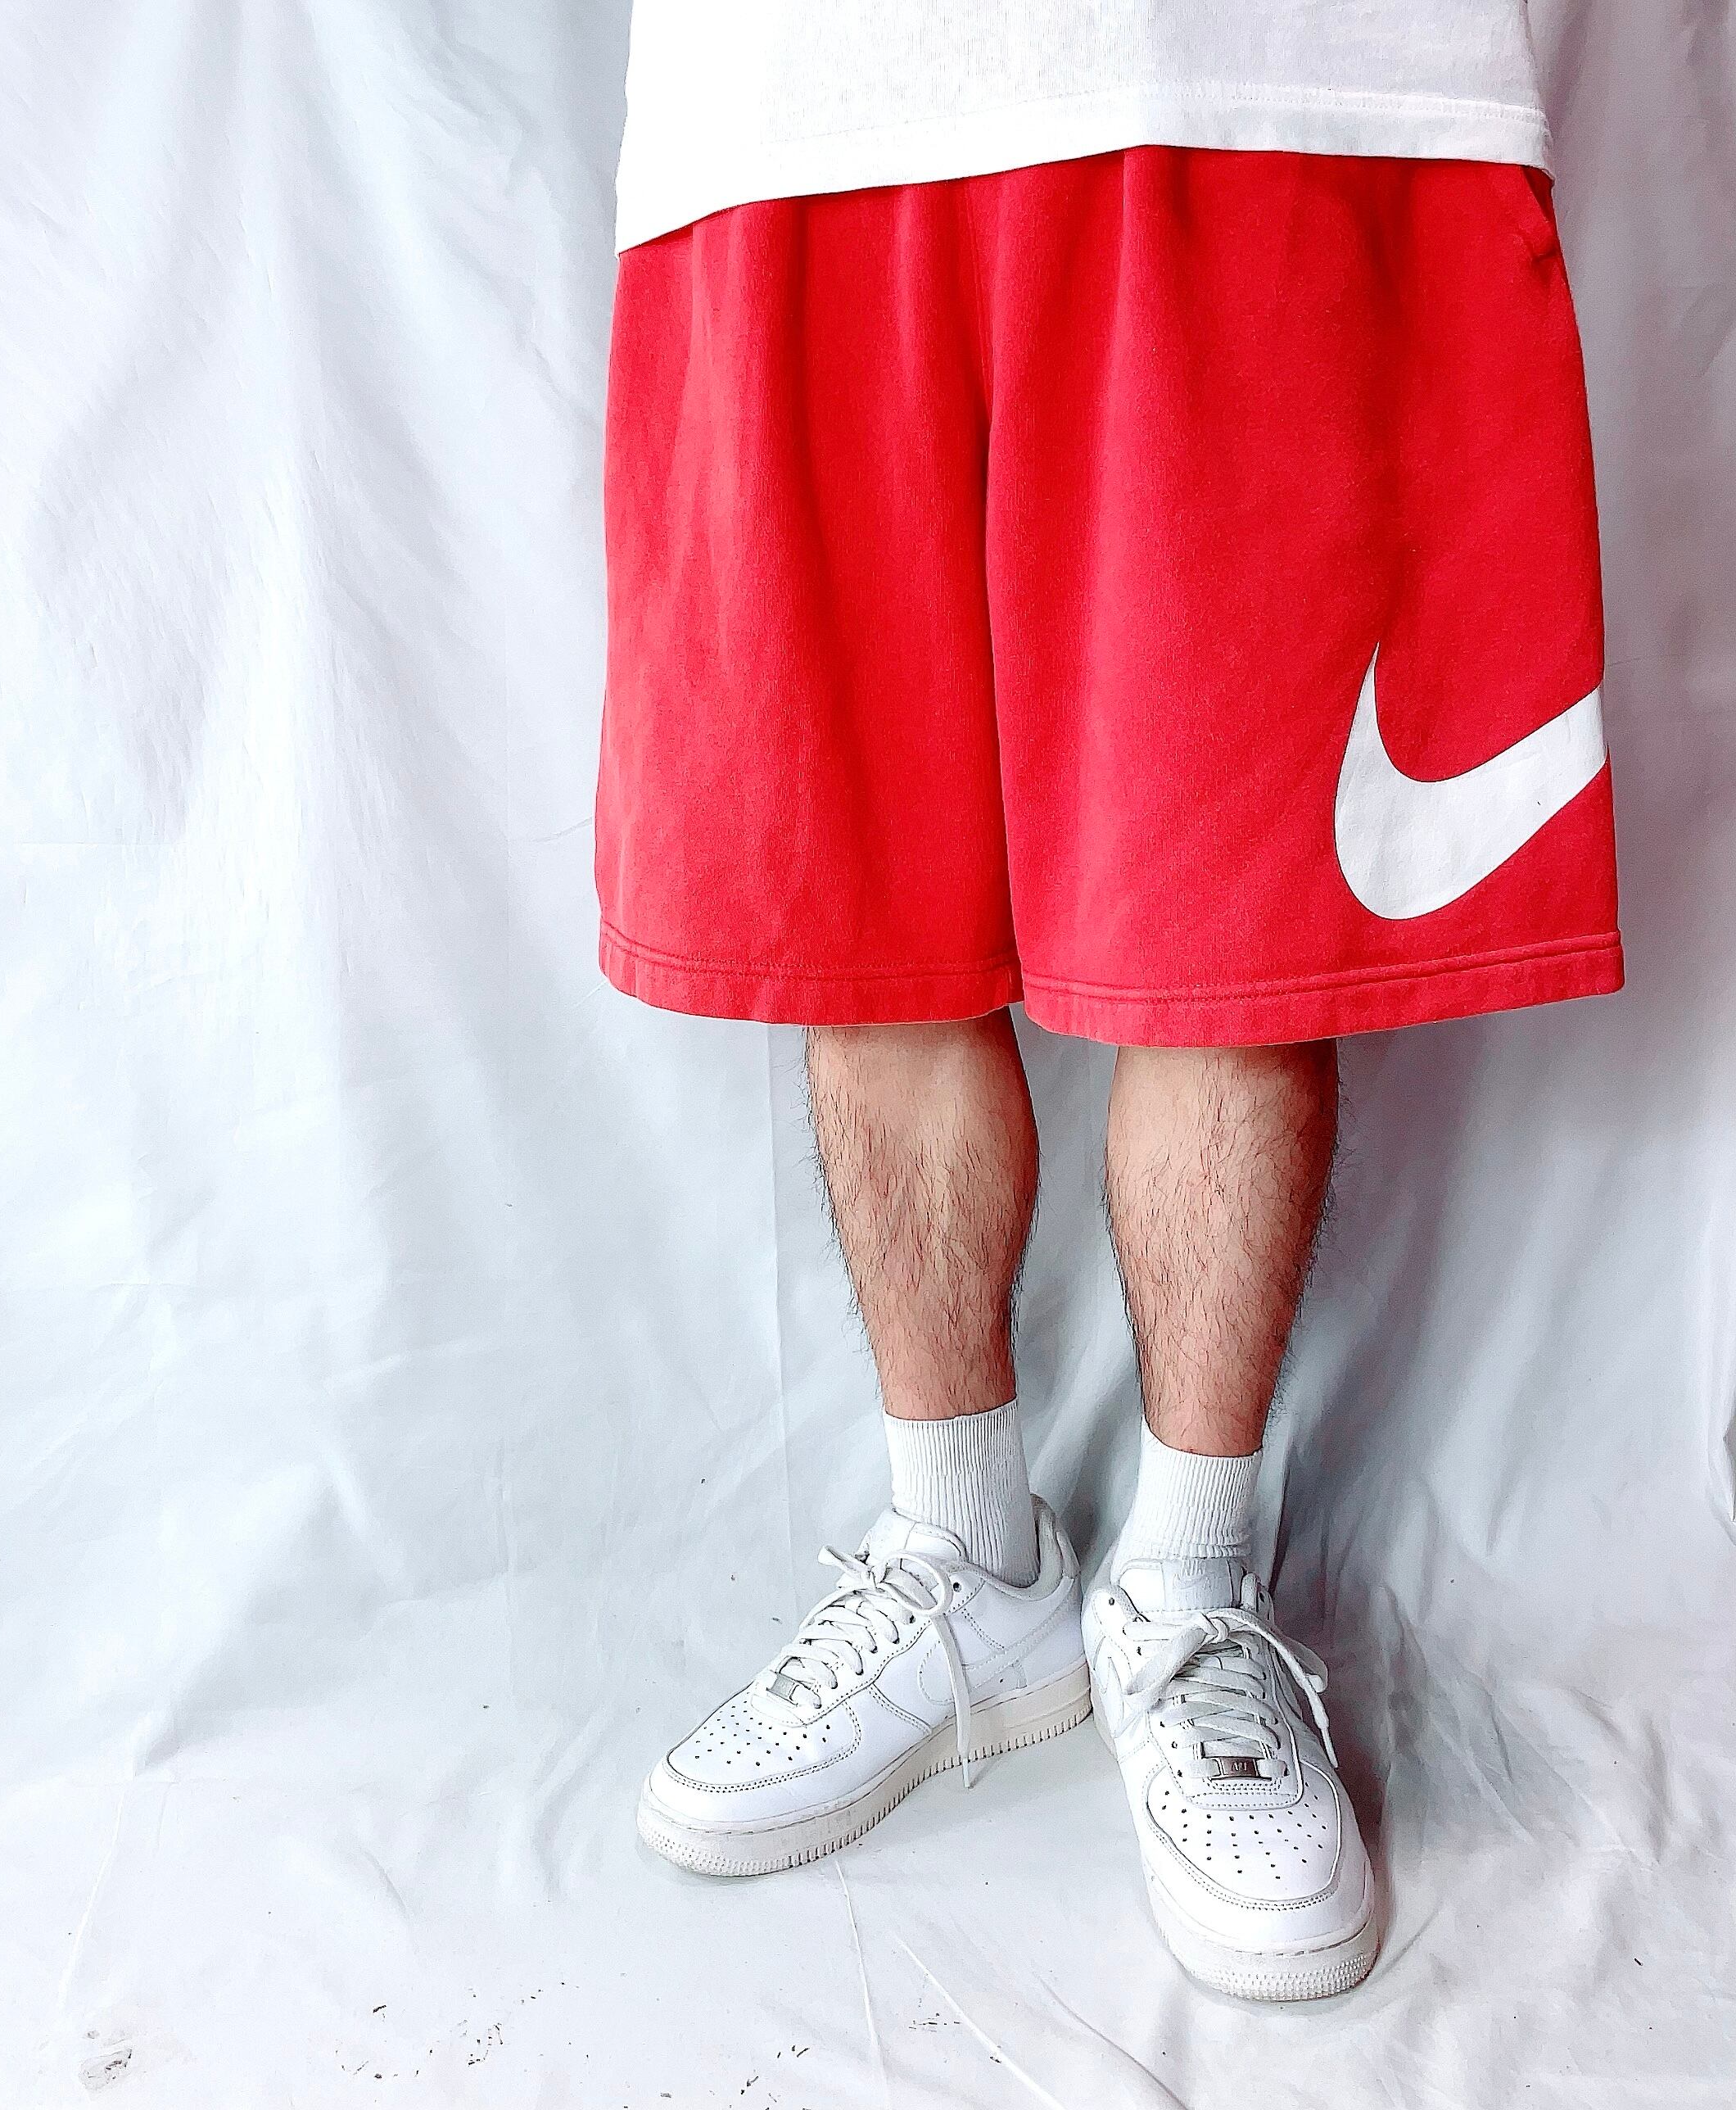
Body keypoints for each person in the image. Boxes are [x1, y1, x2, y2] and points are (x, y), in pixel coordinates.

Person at [594, 2, 1621, 2003]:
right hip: (787, 105)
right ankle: (968, 1561)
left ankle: (1191, 1592)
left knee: (1224, 926)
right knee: (861, 912)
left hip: (1246, 77)